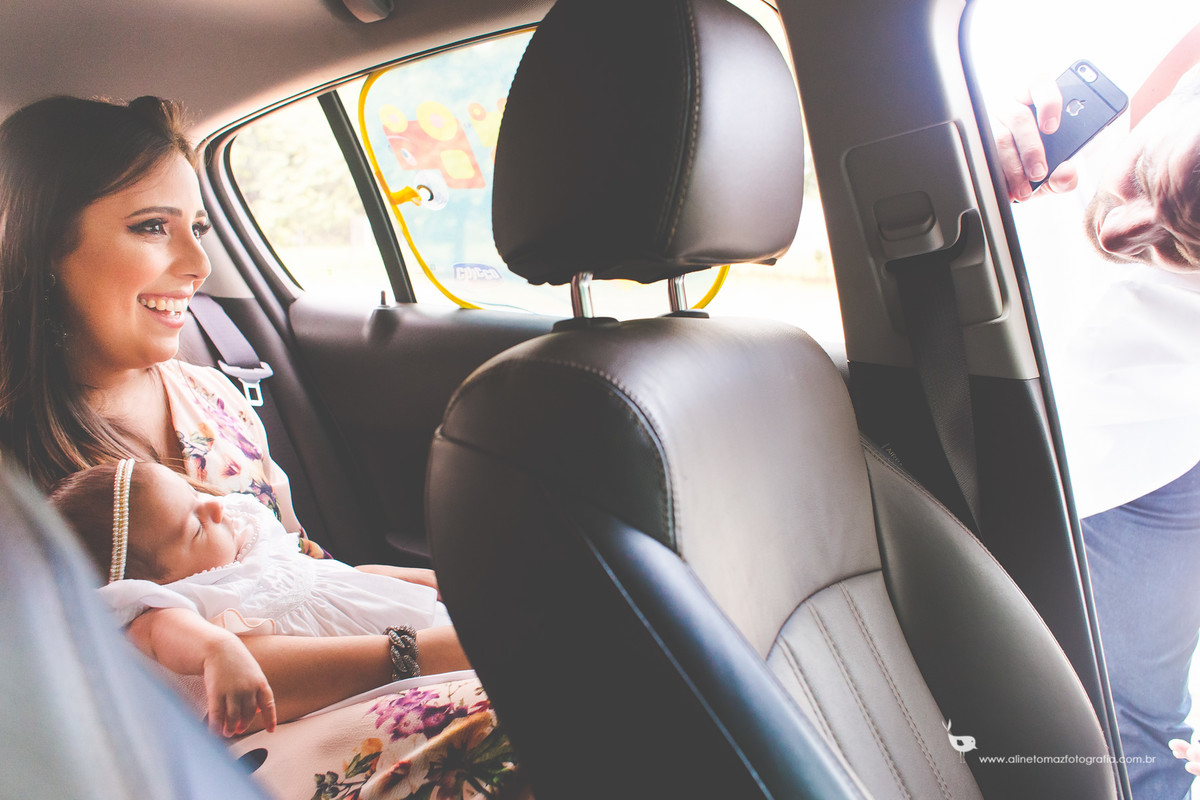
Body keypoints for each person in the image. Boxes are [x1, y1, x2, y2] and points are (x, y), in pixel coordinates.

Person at [0, 95, 527, 800]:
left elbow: (300, 570)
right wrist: (426, 651)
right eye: (152, 227)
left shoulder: (214, 398)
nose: (196, 262)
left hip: (351, 675)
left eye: (199, 227)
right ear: (38, 246)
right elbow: (130, 683)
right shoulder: (20, 479)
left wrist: (458, 598)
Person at [994, 54, 1200, 799]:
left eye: (1177, 247)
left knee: (1138, 739)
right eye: (1146, 186)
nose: (1119, 237)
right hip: (1022, 371)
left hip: (1165, 448)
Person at [49, 458, 465, 736]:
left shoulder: (242, 541)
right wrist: (218, 650)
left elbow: (329, 575)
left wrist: (423, 579)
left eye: (196, 498)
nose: (213, 510)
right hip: (353, 689)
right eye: (194, 528)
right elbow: (164, 631)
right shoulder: (171, 602)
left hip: (404, 616)